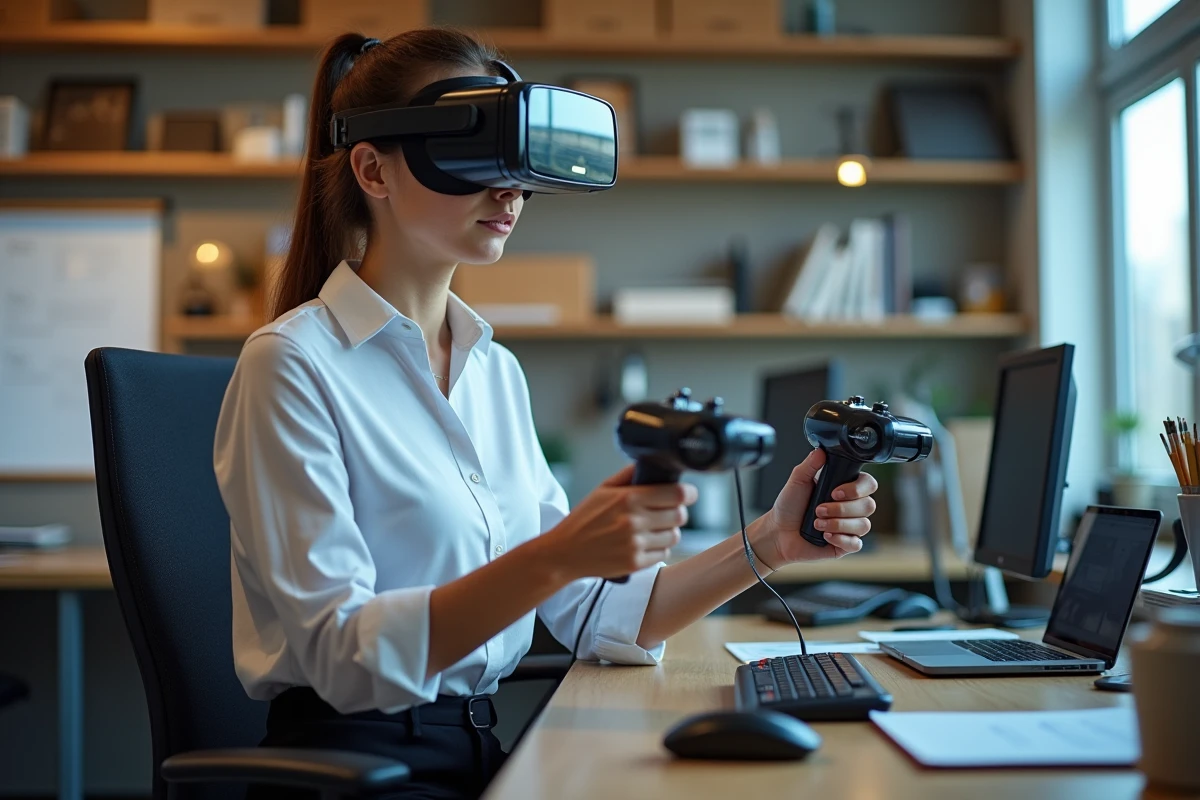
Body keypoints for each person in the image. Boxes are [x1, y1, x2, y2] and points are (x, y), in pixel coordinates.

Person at [213, 27, 878, 800]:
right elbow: (343, 660)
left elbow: (595, 611)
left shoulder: (495, 372)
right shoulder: (291, 365)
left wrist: (770, 542)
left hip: (481, 747)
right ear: (373, 169)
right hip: (353, 767)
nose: (511, 193)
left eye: (519, 169)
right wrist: (556, 554)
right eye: (476, 158)